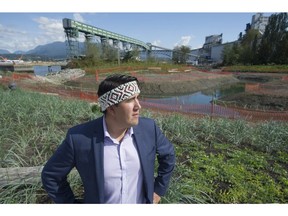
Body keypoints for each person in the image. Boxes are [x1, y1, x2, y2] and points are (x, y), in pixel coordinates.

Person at [41, 73, 176, 204]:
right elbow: (51, 176)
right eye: (129, 100)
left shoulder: (148, 128)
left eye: (137, 98)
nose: (138, 106)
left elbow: (168, 155)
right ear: (111, 109)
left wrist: (158, 190)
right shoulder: (79, 139)